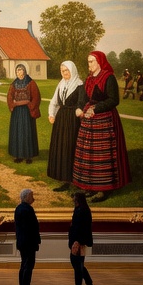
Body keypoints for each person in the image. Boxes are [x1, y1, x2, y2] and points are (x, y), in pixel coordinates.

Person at [73, 51, 129, 202]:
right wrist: (79, 107)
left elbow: (114, 100)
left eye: (91, 61)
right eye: (88, 61)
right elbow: (83, 98)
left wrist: (96, 109)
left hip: (104, 121)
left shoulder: (108, 77)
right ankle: (89, 187)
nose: (89, 64)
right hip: (88, 121)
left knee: (101, 155)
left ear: (99, 62)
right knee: (88, 154)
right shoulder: (89, 79)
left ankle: (103, 190)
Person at [46, 60, 85, 192]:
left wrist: (78, 110)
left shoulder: (80, 85)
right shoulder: (61, 84)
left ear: (72, 70)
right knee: (61, 147)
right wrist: (51, 114)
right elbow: (54, 102)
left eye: (66, 71)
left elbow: (81, 102)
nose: (64, 73)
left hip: (73, 120)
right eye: (62, 71)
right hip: (61, 119)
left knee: (71, 148)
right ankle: (64, 180)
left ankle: (76, 180)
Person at [7, 64, 42, 163]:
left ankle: (28, 156)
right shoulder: (14, 84)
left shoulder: (31, 83)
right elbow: (9, 96)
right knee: (17, 133)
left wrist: (31, 106)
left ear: (24, 71)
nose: (18, 72)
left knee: (27, 132)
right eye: (17, 71)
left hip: (27, 111)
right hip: (17, 112)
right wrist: (12, 105)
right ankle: (18, 155)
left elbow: (36, 96)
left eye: (20, 70)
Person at [65, 191, 96, 285]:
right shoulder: (83, 209)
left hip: (78, 242)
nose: (72, 199)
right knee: (79, 266)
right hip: (79, 241)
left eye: (74, 197)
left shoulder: (81, 211)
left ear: (77, 199)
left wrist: (76, 241)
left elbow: (79, 228)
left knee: (78, 266)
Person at [14, 189, 41, 285]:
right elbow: (31, 228)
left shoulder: (20, 208)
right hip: (28, 242)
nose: (33, 198)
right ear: (26, 197)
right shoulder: (26, 209)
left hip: (23, 241)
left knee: (25, 265)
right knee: (28, 266)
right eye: (31, 196)